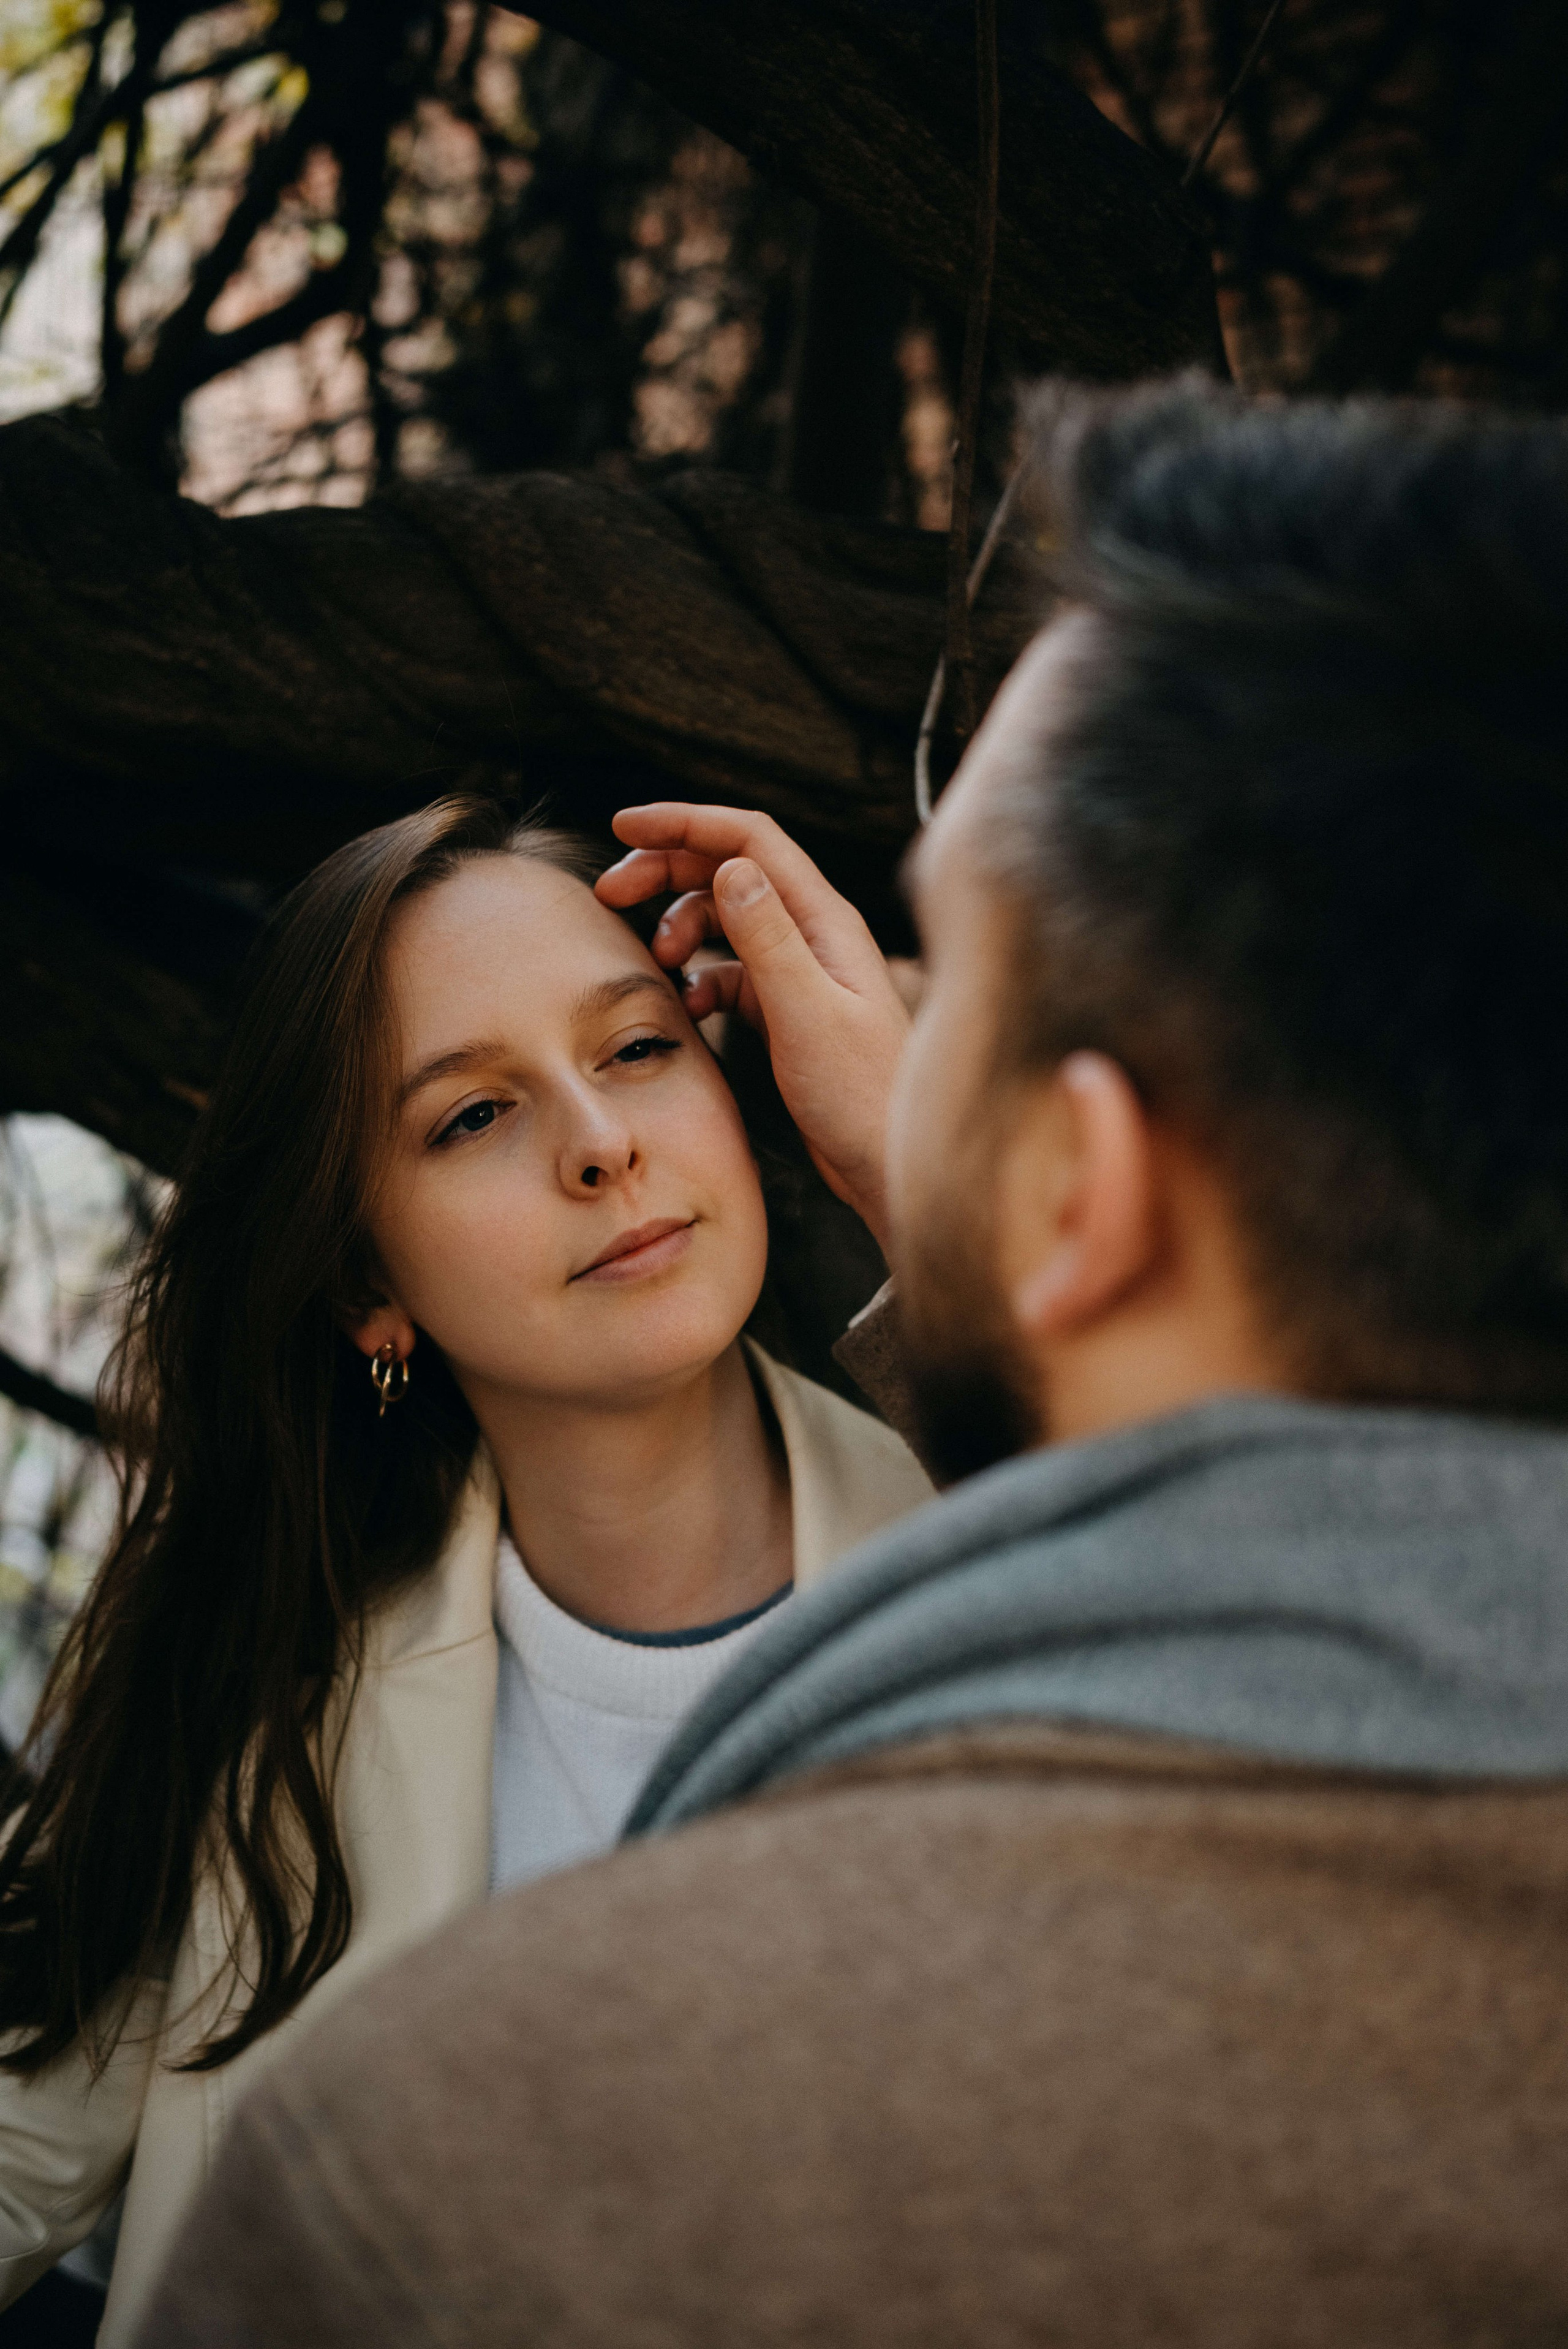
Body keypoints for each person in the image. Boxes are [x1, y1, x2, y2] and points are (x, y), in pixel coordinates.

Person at [138, 379, 1568, 2346]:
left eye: (948, 988)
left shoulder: (437, 2180)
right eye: (467, 1117)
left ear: (1088, 1181)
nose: (605, 1139)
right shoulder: (244, 1750)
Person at [0, 799, 930, 2342]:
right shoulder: (255, 1675)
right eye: (470, 1116)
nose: (600, 1142)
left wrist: (914, 1179)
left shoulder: (1013, 1555)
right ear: (371, 1285)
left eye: (638, 1048)